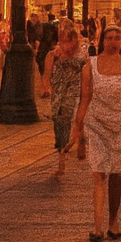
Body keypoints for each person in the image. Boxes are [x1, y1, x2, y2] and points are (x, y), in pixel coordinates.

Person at [68, 25, 121, 242]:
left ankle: (113, 221)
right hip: (97, 124)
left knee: (116, 175)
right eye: (109, 37)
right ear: (103, 40)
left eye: (117, 37)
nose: (113, 41)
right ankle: (97, 227)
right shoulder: (90, 66)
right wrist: (78, 129)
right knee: (99, 173)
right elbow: (85, 98)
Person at [43, 25, 88, 176]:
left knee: (74, 119)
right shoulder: (53, 54)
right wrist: (46, 88)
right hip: (58, 93)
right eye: (62, 41)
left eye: (68, 41)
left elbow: (88, 74)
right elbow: (47, 73)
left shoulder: (82, 56)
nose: (65, 45)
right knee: (59, 122)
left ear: (75, 41)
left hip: (75, 92)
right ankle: (63, 149)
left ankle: (74, 142)